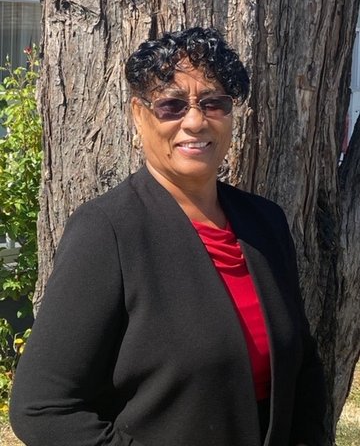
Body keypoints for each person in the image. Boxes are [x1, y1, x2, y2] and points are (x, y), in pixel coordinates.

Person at [10, 27, 326, 446]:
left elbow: (302, 370)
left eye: (214, 103)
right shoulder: (108, 231)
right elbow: (42, 408)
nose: (195, 121)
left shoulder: (264, 222)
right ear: (139, 114)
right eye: (171, 105)